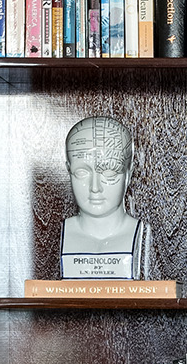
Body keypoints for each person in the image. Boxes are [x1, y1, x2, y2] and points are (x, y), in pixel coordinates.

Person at [60, 114, 156, 279]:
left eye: (109, 173)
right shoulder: (57, 237)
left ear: (129, 173)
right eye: (81, 172)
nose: (95, 187)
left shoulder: (146, 236)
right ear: (68, 169)